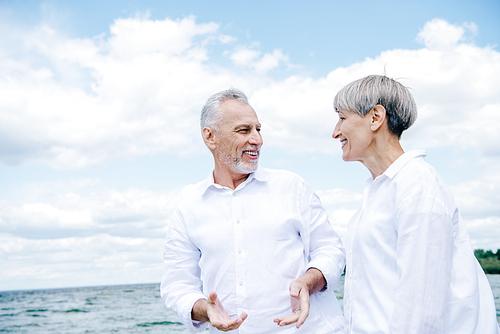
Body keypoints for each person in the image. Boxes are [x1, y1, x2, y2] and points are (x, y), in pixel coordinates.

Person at [161, 88, 345, 333]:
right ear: (210, 137)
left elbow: (330, 250)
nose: (257, 139)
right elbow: (177, 285)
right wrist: (205, 309)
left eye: (258, 129)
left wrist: (308, 282)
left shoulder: (292, 187)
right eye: (244, 130)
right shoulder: (188, 208)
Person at [332, 75, 500, 334]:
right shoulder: (378, 193)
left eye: (342, 118)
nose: (335, 132)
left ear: (376, 117)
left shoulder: (417, 184)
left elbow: (421, 310)